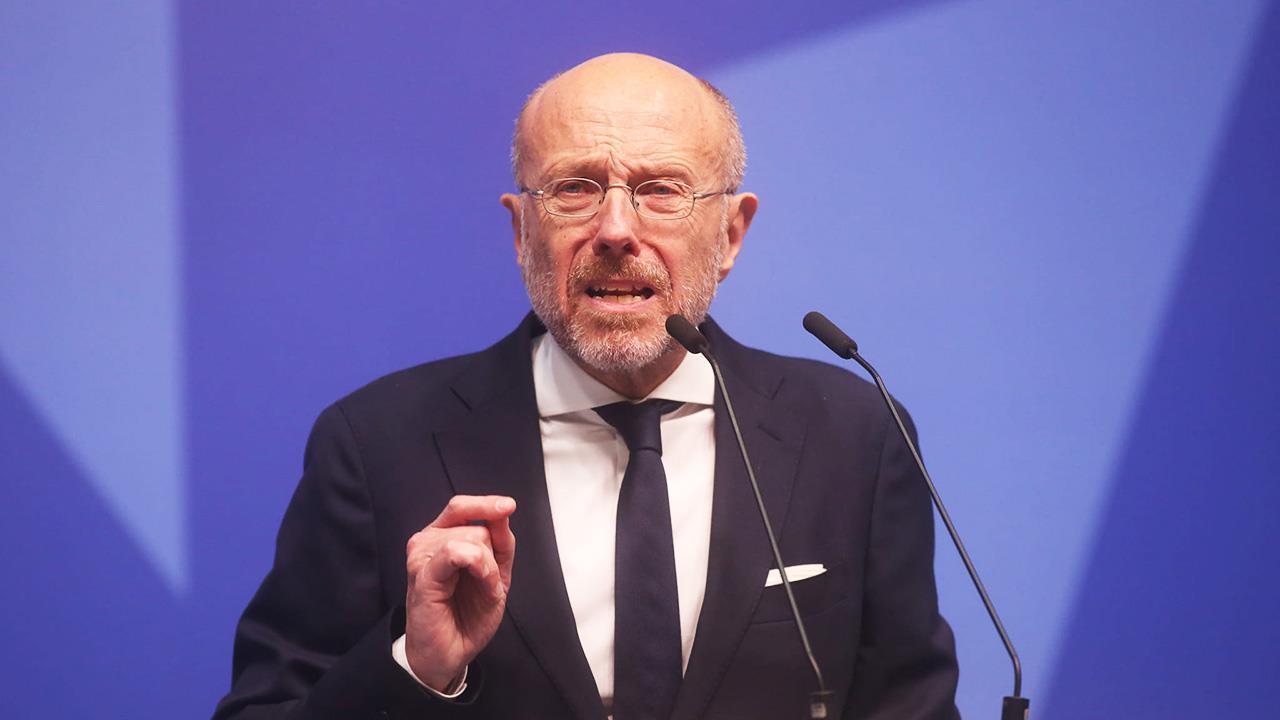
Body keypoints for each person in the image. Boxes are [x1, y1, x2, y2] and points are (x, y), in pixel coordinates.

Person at [213, 53, 959, 719]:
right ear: (520, 232)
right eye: (575, 189)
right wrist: (415, 668)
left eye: (661, 190)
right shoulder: (376, 445)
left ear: (731, 233)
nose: (615, 230)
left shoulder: (855, 435)